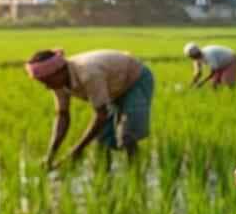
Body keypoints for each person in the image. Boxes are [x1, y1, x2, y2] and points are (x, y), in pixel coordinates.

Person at [25, 48, 155, 168]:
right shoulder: (58, 84)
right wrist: (50, 156)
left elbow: (101, 115)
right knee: (102, 140)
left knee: (128, 135)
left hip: (134, 80)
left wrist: (76, 151)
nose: (47, 87)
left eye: (47, 81)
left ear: (59, 71)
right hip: (112, 87)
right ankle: (104, 177)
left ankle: (136, 174)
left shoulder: (88, 74)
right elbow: (63, 115)